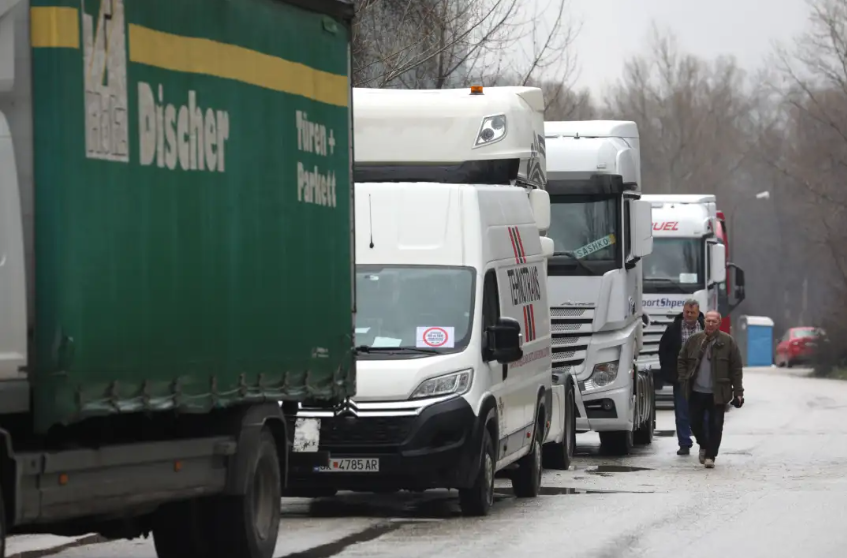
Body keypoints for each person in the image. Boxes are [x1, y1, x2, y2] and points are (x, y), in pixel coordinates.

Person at [677, 310, 744, 469]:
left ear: (719, 323)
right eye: (708, 321)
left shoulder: (728, 342)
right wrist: (683, 378)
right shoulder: (694, 340)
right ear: (704, 322)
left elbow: (736, 368)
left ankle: (710, 455)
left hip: (718, 392)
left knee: (716, 424)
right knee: (694, 423)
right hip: (696, 391)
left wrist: (738, 392)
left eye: (714, 321)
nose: (711, 324)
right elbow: (682, 359)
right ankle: (704, 444)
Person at [657, 299, 705, 456]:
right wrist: (670, 373)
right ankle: (684, 443)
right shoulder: (673, 329)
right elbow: (663, 350)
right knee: (682, 412)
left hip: (702, 378)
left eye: (692, 313)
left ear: (698, 314)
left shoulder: (706, 328)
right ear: (683, 312)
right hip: (682, 378)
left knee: (703, 412)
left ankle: (704, 442)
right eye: (687, 312)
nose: (689, 315)